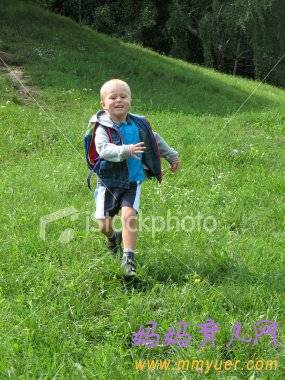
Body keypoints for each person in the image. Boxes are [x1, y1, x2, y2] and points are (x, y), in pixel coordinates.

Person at [88, 79, 180, 276]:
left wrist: (172, 155)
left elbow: (155, 140)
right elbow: (103, 150)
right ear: (103, 104)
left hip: (133, 180)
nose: (119, 100)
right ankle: (113, 237)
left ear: (130, 100)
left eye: (123, 96)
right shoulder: (102, 128)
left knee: (129, 216)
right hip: (109, 181)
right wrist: (126, 149)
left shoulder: (138, 125)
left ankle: (128, 259)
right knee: (103, 224)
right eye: (113, 97)